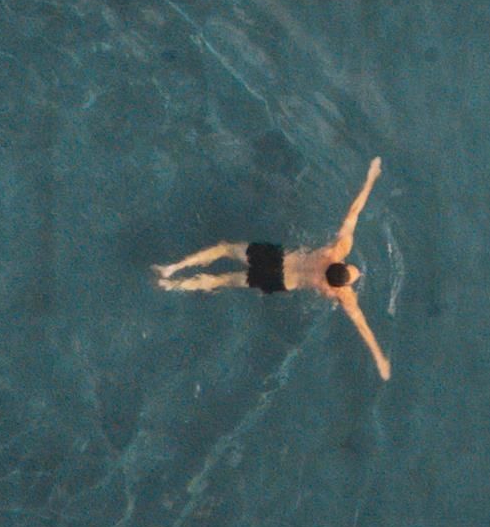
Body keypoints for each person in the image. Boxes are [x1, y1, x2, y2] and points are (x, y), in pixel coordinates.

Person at [156, 156, 389, 376]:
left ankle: (174, 267)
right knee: (223, 280)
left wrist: (370, 177)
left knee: (225, 249)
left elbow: (353, 213)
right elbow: (362, 325)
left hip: (275, 259)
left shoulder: (334, 251)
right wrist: (379, 358)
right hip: (279, 281)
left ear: (341, 264)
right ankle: (173, 285)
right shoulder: (341, 293)